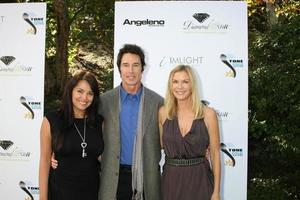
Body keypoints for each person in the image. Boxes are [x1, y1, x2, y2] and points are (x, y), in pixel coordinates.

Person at [98, 44, 163, 200]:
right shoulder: (104, 102)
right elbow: (87, 134)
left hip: (147, 180)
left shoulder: (158, 103)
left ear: (142, 68)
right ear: (119, 68)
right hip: (113, 179)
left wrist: (197, 148)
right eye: (125, 65)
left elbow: (171, 136)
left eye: (135, 65)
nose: (131, 71)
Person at [158, 65, 221, 200]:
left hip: (200, 181)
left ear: (192, 85)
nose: (179, 87)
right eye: (175, 82)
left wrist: (216, 192)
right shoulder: (163, 113)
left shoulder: (208, 114)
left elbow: (215, 154)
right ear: (170, 85)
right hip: (171, 182)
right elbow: (160, 145)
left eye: (185, 82)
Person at [39, 70, 104, 200]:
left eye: (90, 93)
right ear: (71, 91)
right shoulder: (51, 120)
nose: (84, 98)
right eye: (80, 91)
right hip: (60, 192)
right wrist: (43, 197)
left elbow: (104, 157)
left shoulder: (99, 122)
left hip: (91, 192)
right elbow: (45, 161)